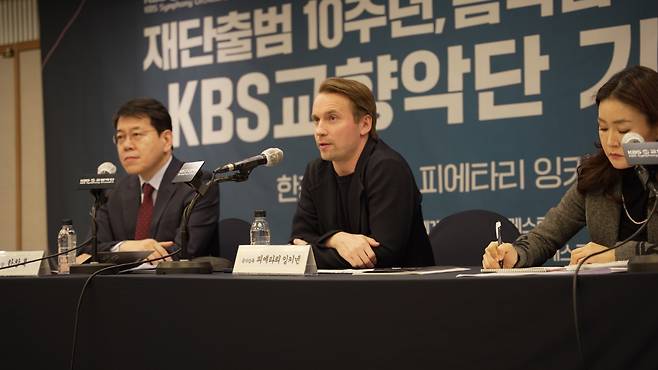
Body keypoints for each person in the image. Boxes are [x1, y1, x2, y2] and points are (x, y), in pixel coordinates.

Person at [483, 65, 658, 268]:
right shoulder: (597, 178)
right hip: (610, 296)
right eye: (603, 128)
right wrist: (515, 254)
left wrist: (617, 254)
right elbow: (545, 236)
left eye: (623, 129)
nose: (610, 141)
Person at [290, 77, 434, 269]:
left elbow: (381, 255)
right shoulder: (316, 171)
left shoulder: (387, 168)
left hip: (401, 292)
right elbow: (297, 241)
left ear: (365, 124)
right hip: (336, 292)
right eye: (316, 120)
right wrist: (336, 239)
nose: (320, 130)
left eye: (332, 118)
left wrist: (313, 251)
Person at [82, 98, 219, 263]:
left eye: (136, 135)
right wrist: (127, 247)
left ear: (166, 140)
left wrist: (124, 254)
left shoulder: (197, 183)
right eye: (120, 137)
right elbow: (89, 249)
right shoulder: (113, 192)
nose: (126, 145)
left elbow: (185, 251)